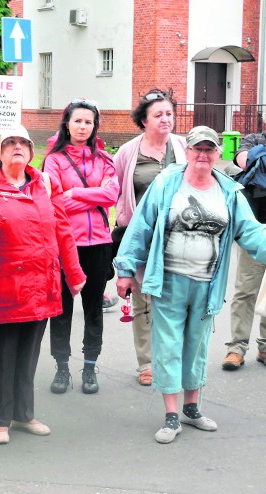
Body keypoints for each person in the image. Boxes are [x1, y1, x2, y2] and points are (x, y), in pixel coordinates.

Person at [114, 126, 266, 444]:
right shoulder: (167, 184)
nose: (203, 155)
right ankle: (171, 415)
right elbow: (142, 225)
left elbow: (251, 233)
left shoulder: (230, 192)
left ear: (217, 155)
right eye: (198, 149)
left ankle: (192, 408)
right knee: (168, 345)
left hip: (207, 283)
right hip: (169, 280)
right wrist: (126, 269)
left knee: (196, 346)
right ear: (188, 152)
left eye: (210, 150)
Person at [0, 124, 86, 445]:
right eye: (10, 142)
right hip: (3, 286)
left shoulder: (45, 183)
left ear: (32, 151)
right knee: (1, 354)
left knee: (28, 354)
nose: (17, 147)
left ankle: (23, 413)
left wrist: (73, 274)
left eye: (23, 142)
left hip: (40, 285)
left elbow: (63, 231)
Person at [44, 99, 119, 394]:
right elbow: (54, 200)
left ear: (94, 126)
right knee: (61, 309)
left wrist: (75, 191)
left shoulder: (105, 159)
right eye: (77, 121)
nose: (82, 127)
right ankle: (62, 367)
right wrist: (92, 194)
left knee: (93, 309)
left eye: (88, 122)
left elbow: (112, 195)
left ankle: (90, 366)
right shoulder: (54, 159)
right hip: (65, 243)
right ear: (66, 123)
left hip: (99, 243)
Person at [113, 88, 187, 386]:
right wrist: (121, 218)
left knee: (173, 300)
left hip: (179, 236)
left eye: (169, 113)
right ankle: (146, 363)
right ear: (143, 120)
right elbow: (115, 188)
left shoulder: (183, 146)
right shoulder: (129, 152)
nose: (165, 119)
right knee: (143, 299)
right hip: (141, 235)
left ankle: (171, 358)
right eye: (158, 115)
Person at [221, 131, 266, 370]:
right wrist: (257, 155)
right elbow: (243, 159)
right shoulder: (253, 140)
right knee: (246, 292)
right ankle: (236, 348)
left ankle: (265, 347)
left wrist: (260, 158)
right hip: (253, 233)